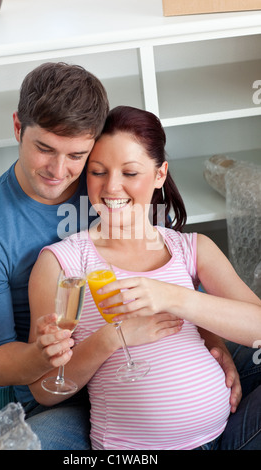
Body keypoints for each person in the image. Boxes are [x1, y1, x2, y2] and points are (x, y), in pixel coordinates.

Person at [28, 105, 261, 450]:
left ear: (159, 174)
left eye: (130, 173)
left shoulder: (191, 248)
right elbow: (44, 388)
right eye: (98, 171)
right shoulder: (62, 263)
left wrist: (175, 297)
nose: (112, 187)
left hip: (227, 435)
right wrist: (111, 338)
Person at [0, 62, 109, 449]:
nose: (59, 171)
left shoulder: (108, 182)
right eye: (45, 148)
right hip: (62, 396)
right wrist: (41, 356)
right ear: (17, 128)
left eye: (77, 155)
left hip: (138, 364)